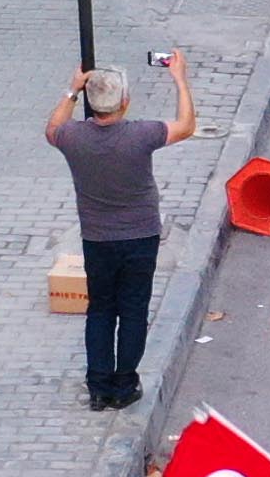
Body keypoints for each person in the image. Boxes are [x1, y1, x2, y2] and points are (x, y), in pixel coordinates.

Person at [44, 52, 197, 409]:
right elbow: (187, 125)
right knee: (132, 310)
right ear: (124, 103)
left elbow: (51, 129)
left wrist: (71, 90)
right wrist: (179, 78)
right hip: (141, 237)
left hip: (97, 238)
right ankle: (125, 383)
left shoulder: (72, 137)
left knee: (100, 310)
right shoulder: (141, 134)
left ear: (92, 103)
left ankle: (98, 386)